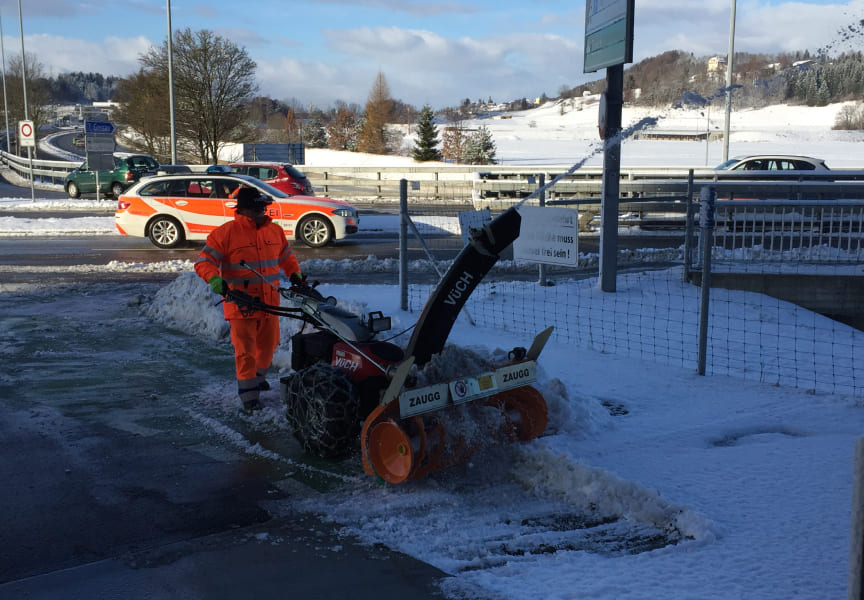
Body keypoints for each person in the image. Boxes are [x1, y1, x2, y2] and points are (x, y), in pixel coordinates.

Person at [194, 187, 302, 413]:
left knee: (269, 344)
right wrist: (214, 279)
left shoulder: (274, 231)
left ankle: (257, 377)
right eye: (257, 208)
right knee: (245, 351)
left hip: (269, 303)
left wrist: (295, 274)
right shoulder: (225, 233)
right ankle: (249, 396)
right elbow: (204, 262)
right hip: (240, 304)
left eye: (263, 208)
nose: (262, 212)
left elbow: (286, 256)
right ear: (244, 209)